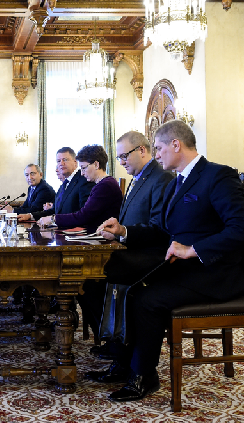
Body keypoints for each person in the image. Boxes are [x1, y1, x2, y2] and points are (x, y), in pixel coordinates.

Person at [93, 120, 244, 402]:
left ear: (176, 144)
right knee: (112, 274)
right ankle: (122, 362)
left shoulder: (218, 175)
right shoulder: (176, 182)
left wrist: (194, 249)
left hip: (214, 272)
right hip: (181, 267)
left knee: (145, 298)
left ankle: (143, 376)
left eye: (158, 148)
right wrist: (123, 231)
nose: (156, 155)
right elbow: (161, 231)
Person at [83, 131, 173, 362]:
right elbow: (129, 222)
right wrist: (117, 234)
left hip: (153, 256)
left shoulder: (161, 178)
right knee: (87, 275)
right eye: (119, 158)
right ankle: (114, 342)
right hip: (132, 249)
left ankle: (120, 349)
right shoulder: (138, 177)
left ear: (142, 150)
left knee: (93, 276)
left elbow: (160, 229)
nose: (121, 162)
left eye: (124, 156)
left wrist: (123, 232)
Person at [37, 145, 122, 233]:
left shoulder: (106, 185)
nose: (82, 173)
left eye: (84, 168)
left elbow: (84, 216)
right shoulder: (103, 184)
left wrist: (53, 219)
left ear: (96, 165)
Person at [18, 147, 93, 222]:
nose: (61, 164)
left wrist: (53, 219)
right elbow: (54, 211)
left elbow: (84, 214)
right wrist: (30, 216)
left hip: (75, 229)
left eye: (65, 160)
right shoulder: (64, 184)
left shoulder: (84, 180)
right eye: (58, 161)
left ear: (75, 162)